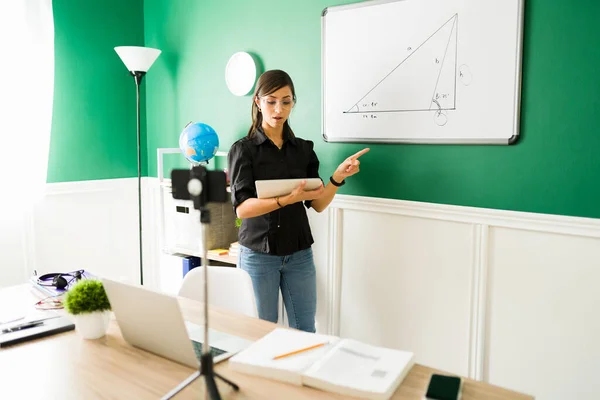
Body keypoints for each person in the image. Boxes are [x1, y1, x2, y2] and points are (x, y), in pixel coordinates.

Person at [227, 69, 369, 333]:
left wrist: (337, 177)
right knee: (262, 331)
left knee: (304, 330)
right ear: (258, 102)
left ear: (293, 102)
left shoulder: (303, 149)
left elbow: (317, 203)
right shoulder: (243, 150)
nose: (278, 108)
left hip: (299, 252)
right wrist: (285, 199)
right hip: (258, 254)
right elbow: (243, 209)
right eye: (271, 101)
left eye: (286, 101)